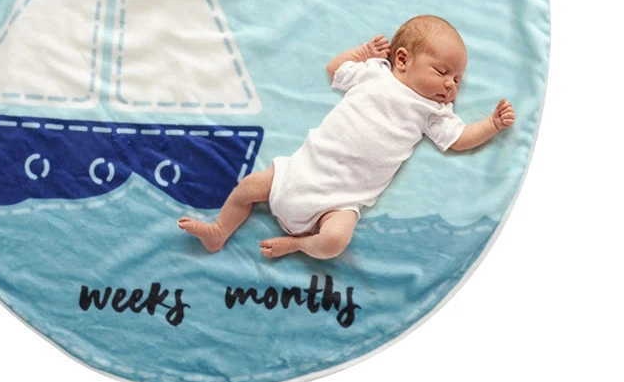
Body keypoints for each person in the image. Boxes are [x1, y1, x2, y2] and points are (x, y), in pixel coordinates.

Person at [178, 15, 515, 260]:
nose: (451, 85)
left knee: (335, 242)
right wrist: (364, 51)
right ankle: (219, 231)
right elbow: (335, 68)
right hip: (301, 170)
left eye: (457, 80)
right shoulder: (375, 73)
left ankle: (298, 244)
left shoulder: (433, 111)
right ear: (401, 59)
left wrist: (491, 124)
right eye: (442, 72)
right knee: (249, 187)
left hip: (341, 201)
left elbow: (459, 138)